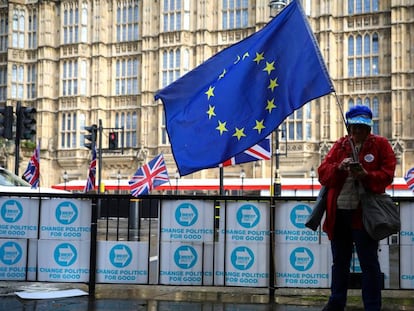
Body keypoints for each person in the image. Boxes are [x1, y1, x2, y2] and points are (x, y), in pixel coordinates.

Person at [318, 105, 396, 311]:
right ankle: (336, 303)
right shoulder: (340, 145)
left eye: (363, 127)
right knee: (339, 264)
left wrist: (366, 175)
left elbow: (387, 175)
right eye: (355, 127)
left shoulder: (381, 144)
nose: (358, 132)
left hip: (364, 216)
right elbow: (323, 174)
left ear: (370, 128)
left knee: (369, 264)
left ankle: (372, 307)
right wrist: (339, 167)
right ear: (349, 128)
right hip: (339, 215)